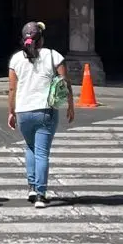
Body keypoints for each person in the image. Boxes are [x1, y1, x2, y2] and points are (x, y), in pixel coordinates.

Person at [6, 21, 74, 206]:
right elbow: (65, 83)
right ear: (41, 39)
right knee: (42, 153)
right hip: (45, 110)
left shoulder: (16, 59)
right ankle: (41, 194)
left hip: (23, 111)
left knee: (30, 148)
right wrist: (70, 105)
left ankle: (31, 188)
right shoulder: (53, 56)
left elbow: (12, 89)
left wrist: (11, 112)